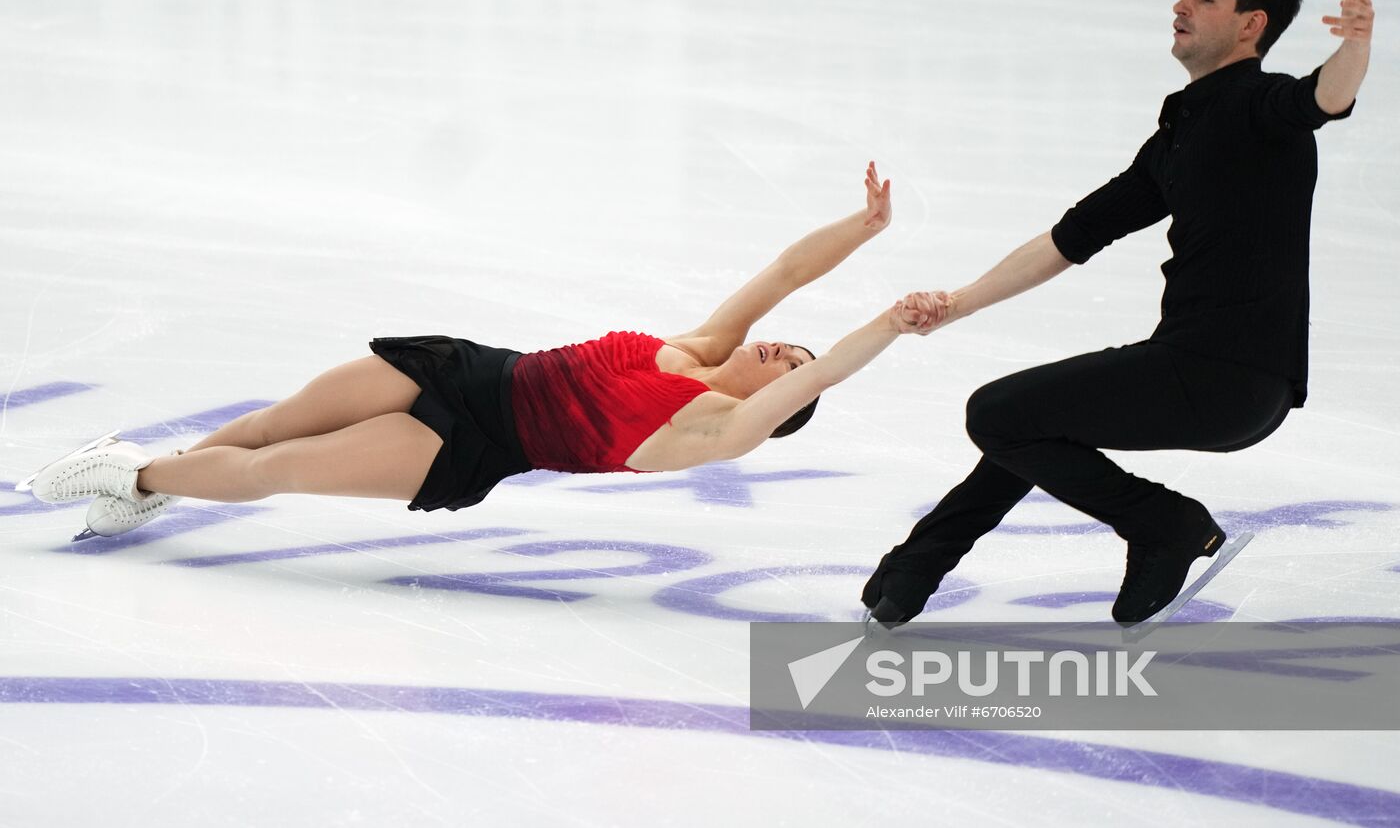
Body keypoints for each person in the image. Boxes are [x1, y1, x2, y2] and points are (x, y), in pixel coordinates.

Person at [863, 0, 1373, 627]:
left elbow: (1323, 97)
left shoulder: (1261, 108)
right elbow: (1070, 237)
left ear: (1251, 25)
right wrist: (954, 304)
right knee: (1030, 420)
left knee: (998, 413)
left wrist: (1357, 45)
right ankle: (919, 567)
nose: (1180, 5)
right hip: (1199, 370)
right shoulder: (1180, 135)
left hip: (1229, 376)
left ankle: (1167, 524)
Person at [28, 163, 945, 541]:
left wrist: (884, 328)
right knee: (271, 421)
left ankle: (134, 474)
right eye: (785, 350)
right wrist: (863, 230)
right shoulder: (704, 344)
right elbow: (785, 269)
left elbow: (823, 372)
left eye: (789, 368)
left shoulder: (716, 428)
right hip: (466, 368)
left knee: (280, 467)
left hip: (471, 442)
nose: (786, 351)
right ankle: (158, 481)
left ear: (774, 402)